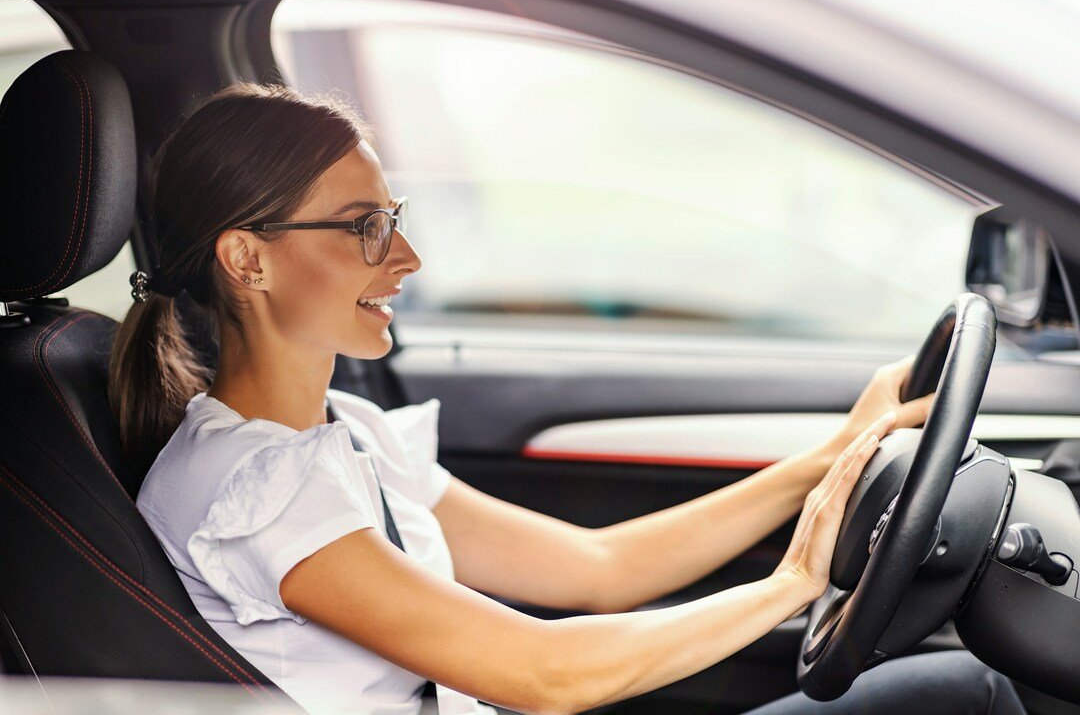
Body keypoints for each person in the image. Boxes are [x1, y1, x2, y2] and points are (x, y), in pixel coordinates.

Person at [108, 82, 1026, 715]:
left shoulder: (343, 435)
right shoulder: (252, 490)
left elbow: (596, 568)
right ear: (247, 258)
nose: (407, 260)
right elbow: (542, 673)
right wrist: (793, 580)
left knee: (953, 689)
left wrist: (833, 458)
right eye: (364, 229)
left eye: (394, 222)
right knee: (965, 694)